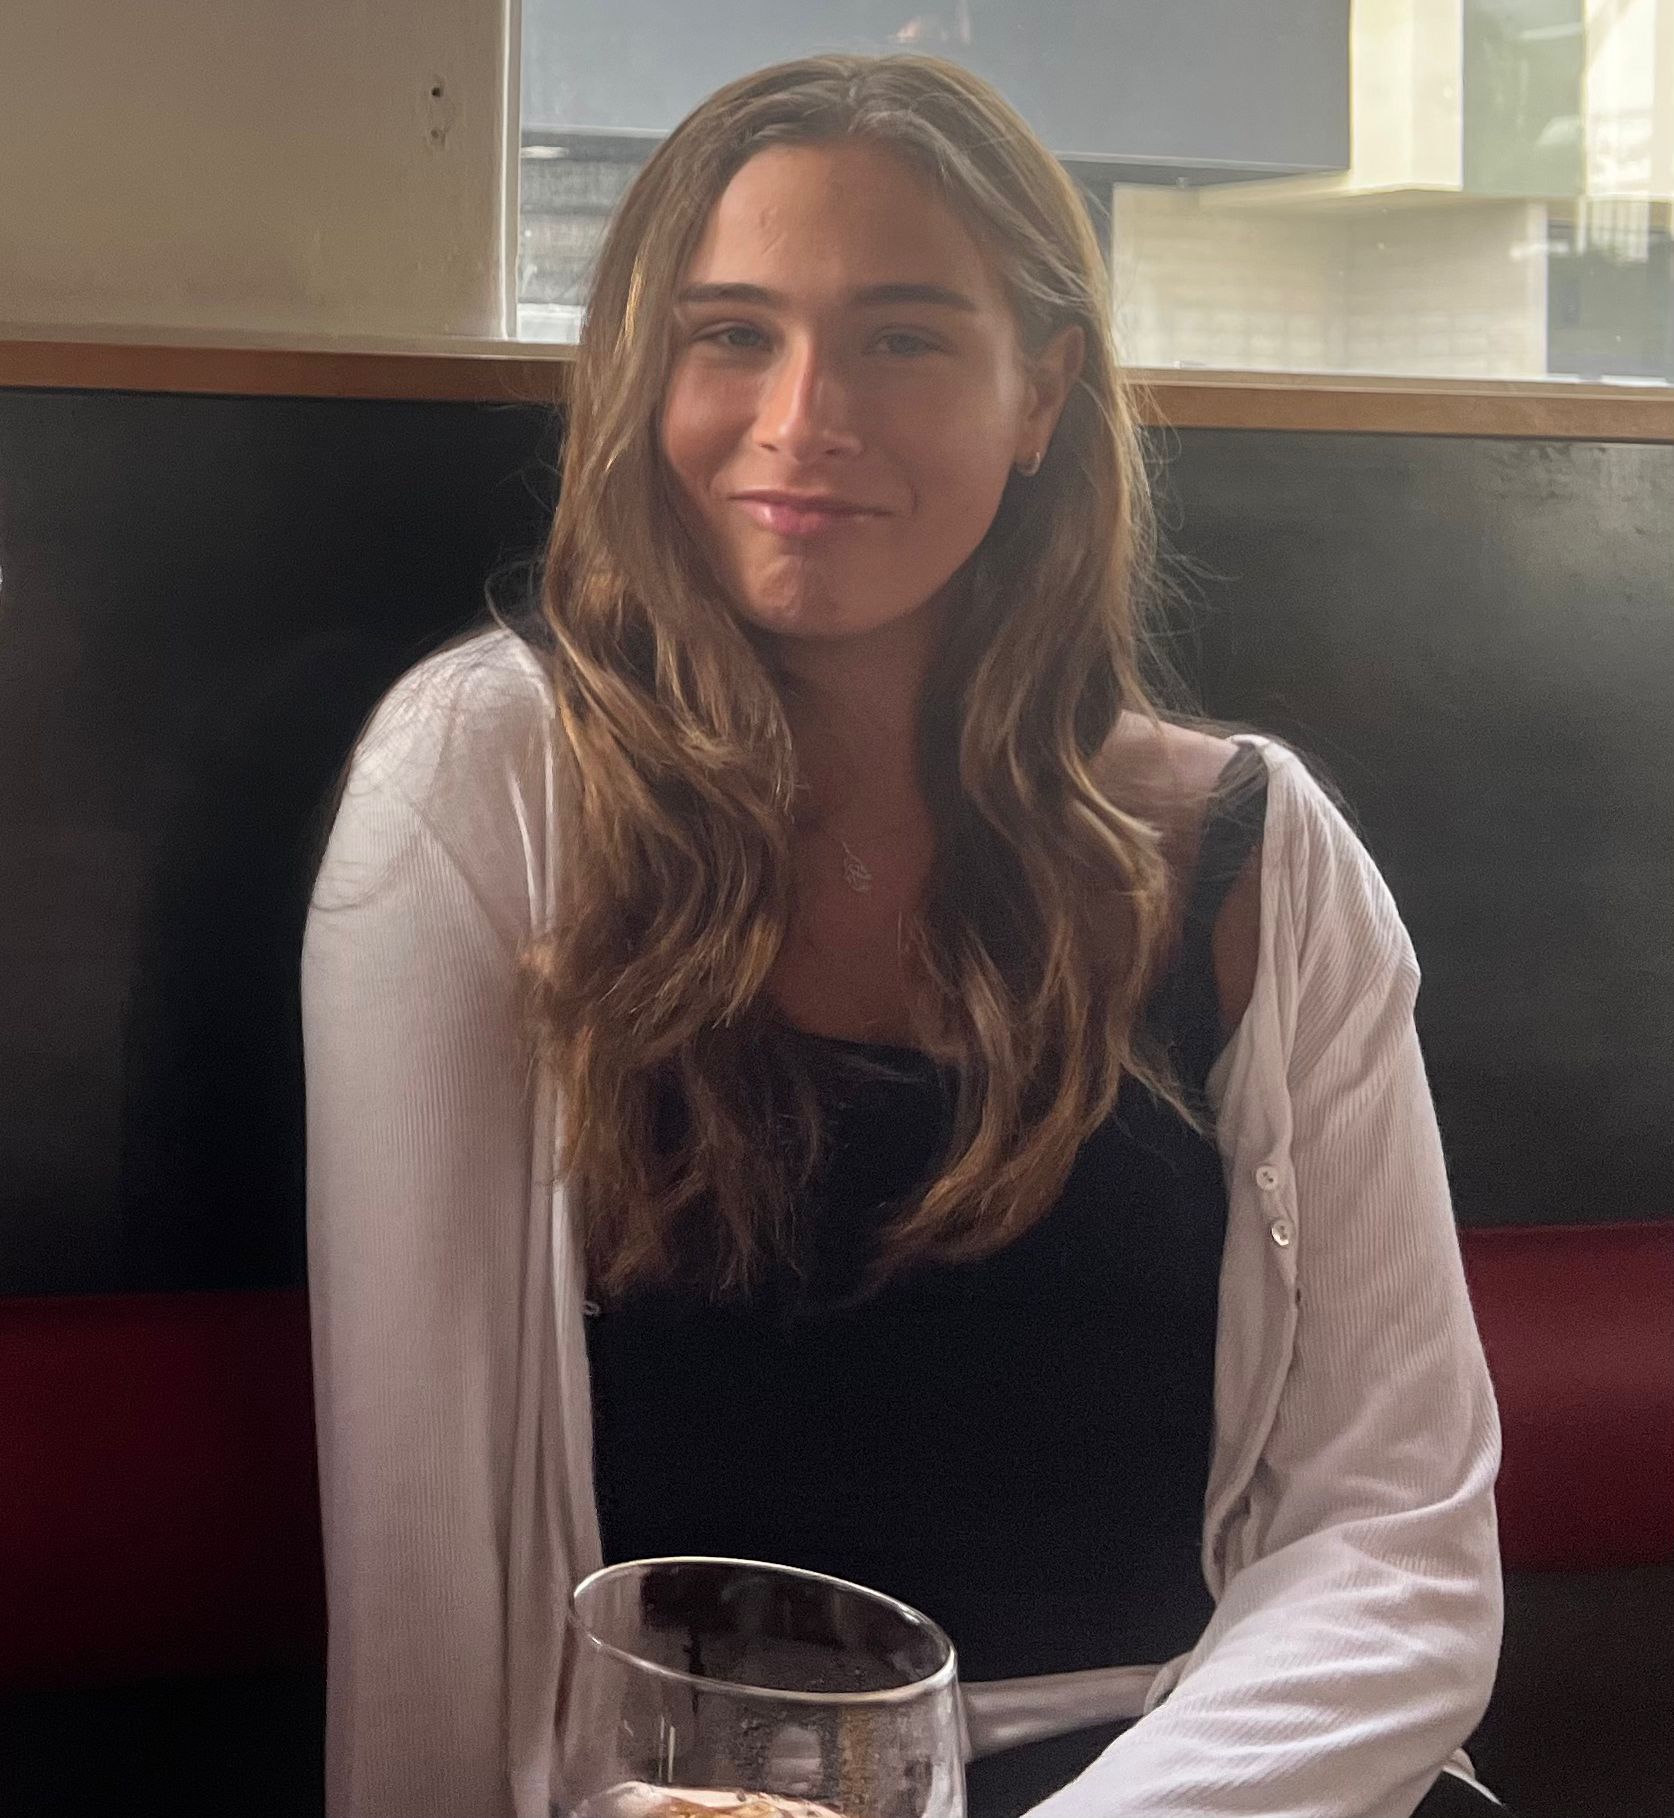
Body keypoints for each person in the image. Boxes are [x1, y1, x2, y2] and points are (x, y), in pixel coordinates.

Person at [303, 52, 1504, 1818]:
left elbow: (1398, 1541)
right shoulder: (485, 780)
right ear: (645, 379)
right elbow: (421, 1545)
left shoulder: (1261, 852)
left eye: (904, 336)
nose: (806, 416)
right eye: (730, 334)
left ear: (1043, 396)